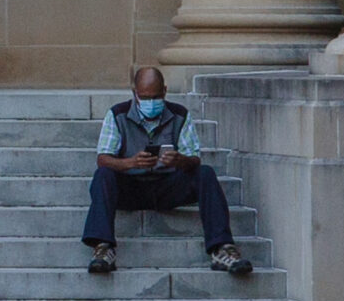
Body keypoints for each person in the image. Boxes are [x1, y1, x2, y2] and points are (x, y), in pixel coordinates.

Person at [82, 68, 251, 276]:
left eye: (156, 97)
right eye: (144, 98)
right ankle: (103, 248)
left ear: (165, 91)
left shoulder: (179, 115)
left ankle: (222, 247)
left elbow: (194, 159)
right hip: (131, 187)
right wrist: (131, 163)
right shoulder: (118, 114)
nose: (150, 103)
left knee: (205, 173)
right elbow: (103, 159)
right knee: (103, 176)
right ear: (135, 93)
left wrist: (180, 160)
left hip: (167, 186)